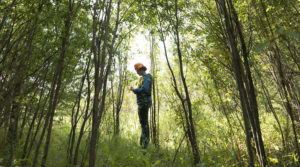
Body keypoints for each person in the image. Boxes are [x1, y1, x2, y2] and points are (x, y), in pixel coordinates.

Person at [130, 63, 152, 149]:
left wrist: (135, 90)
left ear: (141, 69)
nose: (137, 73)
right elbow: (142, 90)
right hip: (142, 103)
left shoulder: (147, 77)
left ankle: (144, 146)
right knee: (143, 123)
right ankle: (143, 144)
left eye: (137, 71)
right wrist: (135, 90)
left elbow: (145, 90)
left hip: (144, 103)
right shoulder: (143, 78)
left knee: (144, 124)